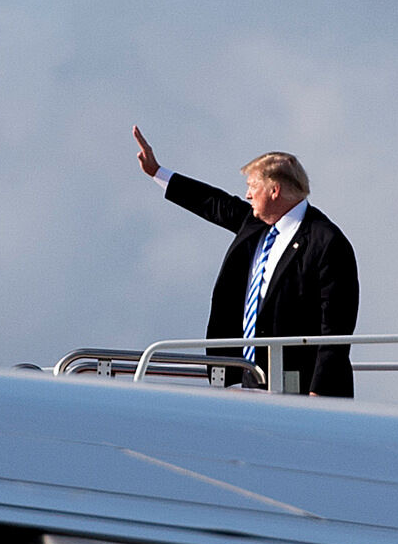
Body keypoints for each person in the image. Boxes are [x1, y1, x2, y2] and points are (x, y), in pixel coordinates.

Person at [133, 129, 359, 396]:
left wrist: (319, 393)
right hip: (249, 381)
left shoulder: (327, 242)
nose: (247, 195)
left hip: (303, 390)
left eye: (252, 186)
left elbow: (336, 327)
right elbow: (212, 202)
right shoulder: (254, 224)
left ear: (274, 191)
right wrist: (157, 172)